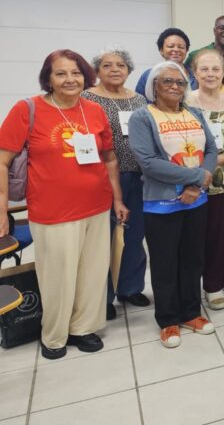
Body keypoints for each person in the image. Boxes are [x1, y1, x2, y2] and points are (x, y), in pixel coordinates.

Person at [0, 50, 128, 359]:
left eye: (76, 73)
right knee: (58, 276)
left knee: (92, 273)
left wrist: (117, 199)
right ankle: (54, 335)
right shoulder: (28, 109)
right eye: (61, 73)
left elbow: (109, 158)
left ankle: (83, 328)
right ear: (48, 78)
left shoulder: (94, 110)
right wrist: (2, 209)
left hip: (96, 206)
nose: (70, 79)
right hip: (52, 212)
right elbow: (2, 161)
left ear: (85, 76)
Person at [128, 61, 217, 348]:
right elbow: (149, 162)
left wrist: (196, 185)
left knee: (193, 260)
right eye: (167, 81)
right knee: (165, 263)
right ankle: (168, 320)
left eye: (180, 82)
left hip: (196, 200)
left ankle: (191, 312)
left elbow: (211, 149)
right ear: (154, 86)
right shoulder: (142, 117)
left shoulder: (194, 113)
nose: (175, 86)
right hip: (161, 203)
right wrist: (198, 177)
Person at [83, 48, 149, 320]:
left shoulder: (139, 100)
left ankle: (130, 288)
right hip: (104, 176)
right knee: (105, 239)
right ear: (97, 71)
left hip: (140, 176)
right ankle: (104, 295)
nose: (114, 70)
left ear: (128, 70)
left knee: (134, 235)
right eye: (107, 65)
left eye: (120, 65)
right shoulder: (87, 98)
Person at [186, 49, 224, 309]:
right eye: (204, 69)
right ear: (194, 72)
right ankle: (188, 288)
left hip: (223, 181)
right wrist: (199, 165)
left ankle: (213, 286)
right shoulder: (184, 103)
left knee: (219, 233)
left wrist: (218, 162)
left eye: (215, 69)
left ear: (223, 73)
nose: (210, 74)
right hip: (189, 180)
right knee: (190, 237)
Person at [136, 28, 197, 96]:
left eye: (181, 47)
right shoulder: (148, 75)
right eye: (171, 46)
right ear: (161, 50)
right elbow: (139, 100)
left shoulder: (196, 75)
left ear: (186, 50)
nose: (176, 49)